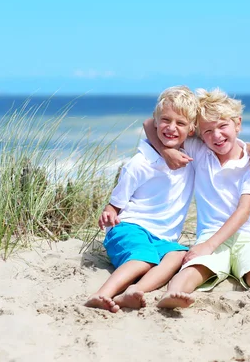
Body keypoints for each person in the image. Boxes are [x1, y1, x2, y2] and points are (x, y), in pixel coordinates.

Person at [143, 88, 250, 316]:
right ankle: (173, 294)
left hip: (248, 235)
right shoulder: (200, 150)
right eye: (208, 131)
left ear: (238, 124)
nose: (216, 136)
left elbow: (244, 211)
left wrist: (209, 245)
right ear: (199, 134)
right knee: (195, 267)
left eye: (223, 126)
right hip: (211, 233)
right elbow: (148, 123)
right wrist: (166, 152)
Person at [85, 86, 198, 312]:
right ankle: (101, 294)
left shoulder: (192, 154)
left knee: (178, 255)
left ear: (192, 130)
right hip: (130, 228)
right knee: (143, 257)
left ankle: (135, 291)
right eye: (165, 120)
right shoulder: (141, 163)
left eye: (180, 123)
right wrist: (109, 211)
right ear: (156, 122)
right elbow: (116, 203)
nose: (171, 128)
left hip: (162, 238)